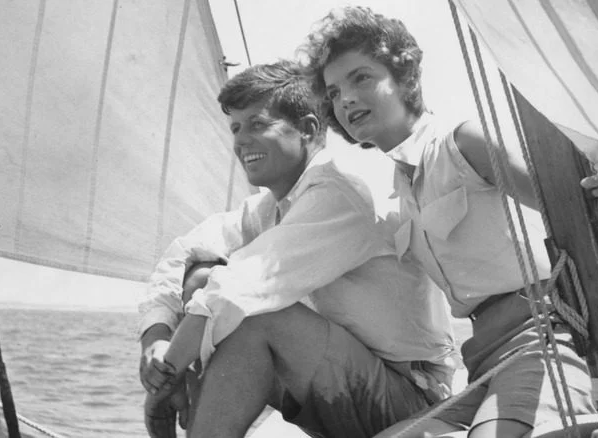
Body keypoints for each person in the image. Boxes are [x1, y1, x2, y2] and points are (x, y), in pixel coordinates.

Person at [300, 7, 598, 438]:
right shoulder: (399, 189)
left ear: (405, 77)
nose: (346, 99)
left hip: (541, 344)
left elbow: (573, 204)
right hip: (482, 362)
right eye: (334, 92)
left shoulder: (464, 143)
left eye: (361, 78)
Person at [137, 59, 458, 438]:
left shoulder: (338, 195)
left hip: (411, 398)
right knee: (201, 276)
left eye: (258, 124)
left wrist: (165, 376)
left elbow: (239, 289)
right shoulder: (267, 208)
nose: (241, 140)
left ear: (306, 129)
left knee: (254, 315)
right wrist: (155, 339)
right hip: (348, 386)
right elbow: (182, 254)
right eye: (236, 128)